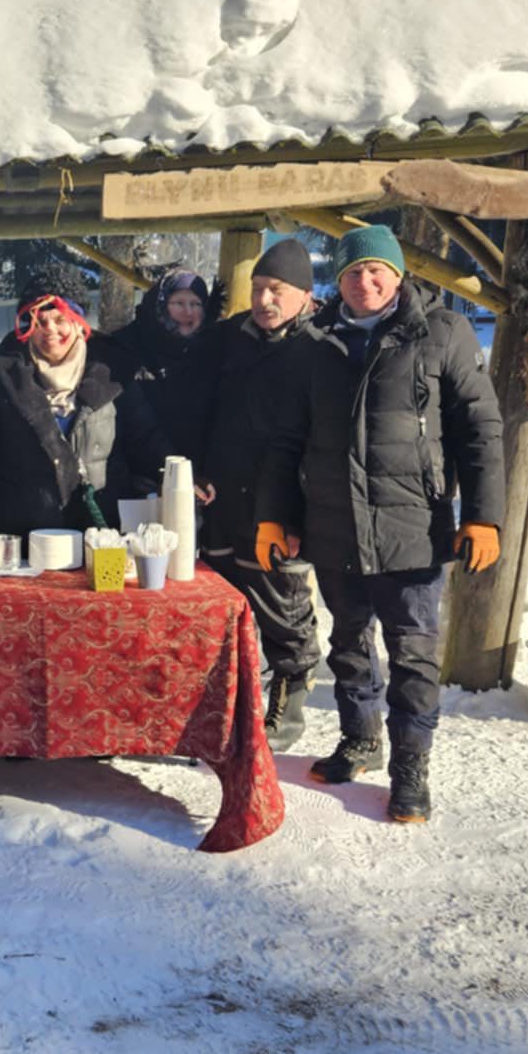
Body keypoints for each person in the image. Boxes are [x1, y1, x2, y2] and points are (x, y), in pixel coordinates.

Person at [255, 224, 505, 824]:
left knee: (413, 654)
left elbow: (480, 429)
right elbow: (286, 441)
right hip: (335, 523)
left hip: (413, 527)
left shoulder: (441, 332)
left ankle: (411, 768)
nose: (364, 282)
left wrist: (484, 516)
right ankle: (360, 739)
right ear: (337, 280)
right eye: (351, 272)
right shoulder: (314, 344)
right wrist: (274, 516)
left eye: (375, 271)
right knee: (348, 642)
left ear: (397, 275)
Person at [195, 239, 327, 749]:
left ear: (304, 295)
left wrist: (301, 512)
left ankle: (286, 714)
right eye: (257, 289)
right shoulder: (231, 338)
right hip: (225, 496)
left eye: (277, 290)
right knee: (227, 609)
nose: (264, 300)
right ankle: (233, 705)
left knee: (283, 609)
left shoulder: (319, 348)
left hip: (282, 504)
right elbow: (202, 407)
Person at [0, 265, 167, 537]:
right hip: (28, 536)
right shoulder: (6, 372)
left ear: (78, 322)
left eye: (60, 319)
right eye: (39, 322)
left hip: (100, 532)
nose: (49, 329)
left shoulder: (113, 371)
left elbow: (145, 438)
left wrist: (178, 476)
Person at [112, 268, 221, 463]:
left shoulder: (214, 351)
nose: (188, 312)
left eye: (196, 304)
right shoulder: (129, 345)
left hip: (196, 471)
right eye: (179, 303)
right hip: (137, 468)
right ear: (161, 303)